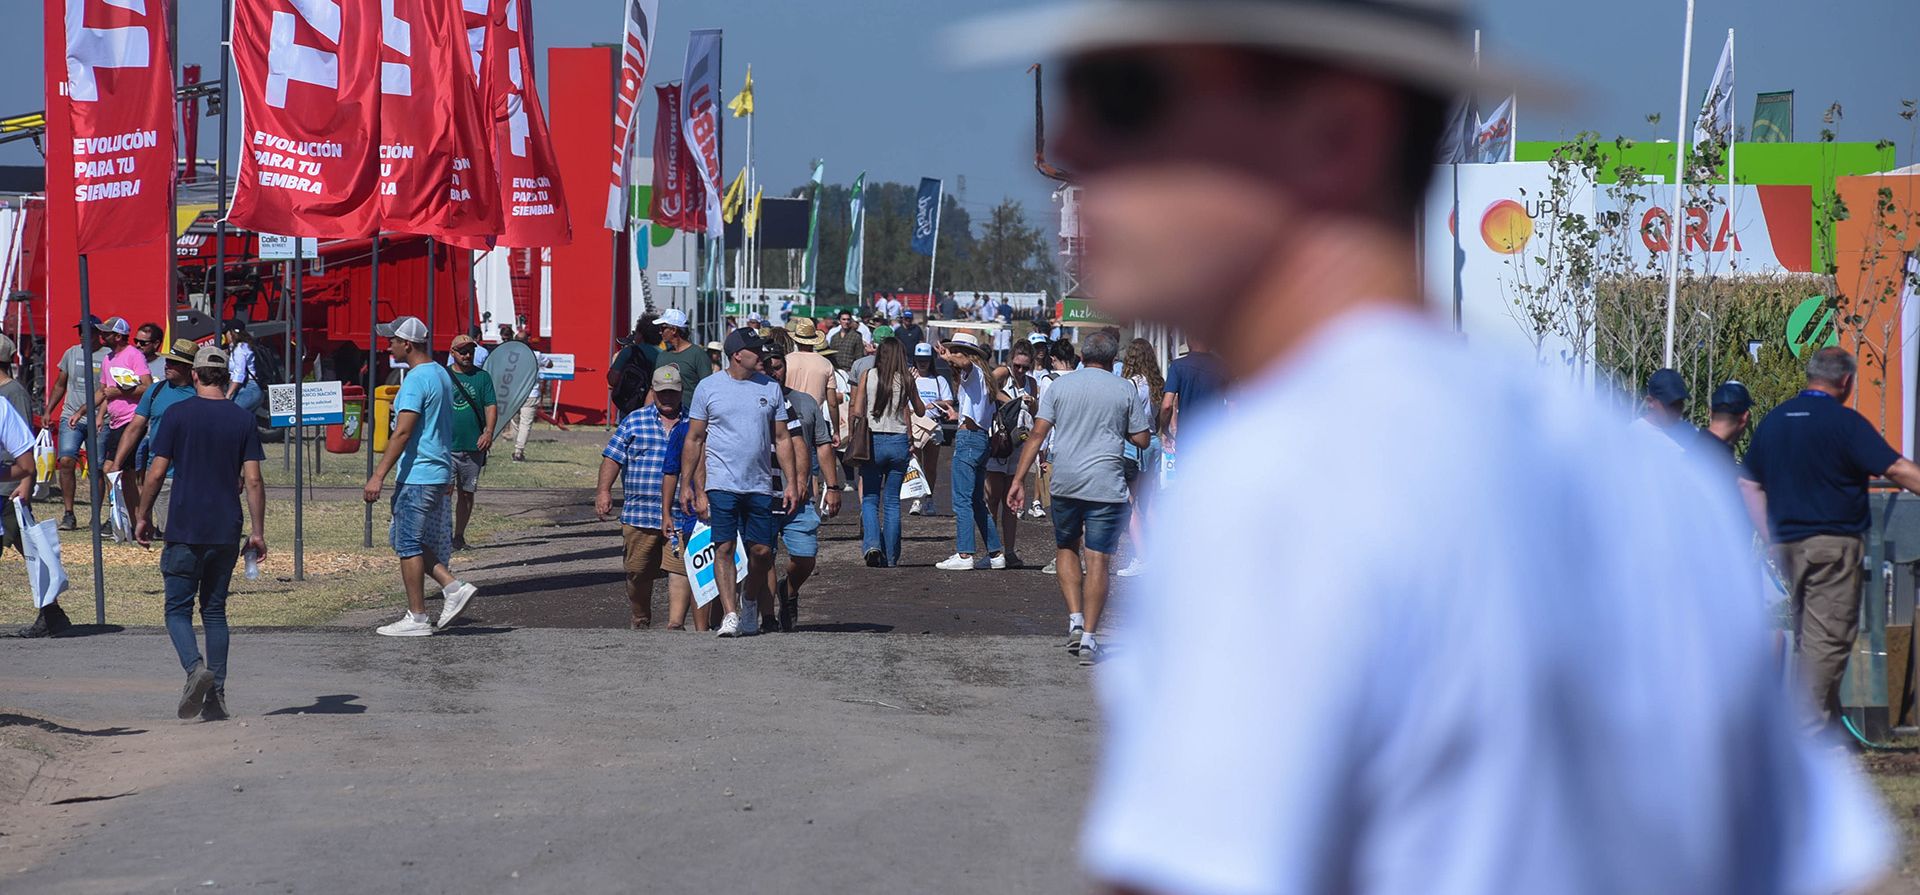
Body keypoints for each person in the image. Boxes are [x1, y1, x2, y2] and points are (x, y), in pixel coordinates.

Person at [958, 4, 1893, 891]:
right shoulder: (1654, 478)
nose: (1065, 146)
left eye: (1128, 96)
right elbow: (1810, 860)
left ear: (1336, 132)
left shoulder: (1278, 483)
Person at [1746, 348, 1920, 733]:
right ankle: (1803, 734)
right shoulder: (1844, 424)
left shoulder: (1775, 421)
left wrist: (1771, 535)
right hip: (1832, 545)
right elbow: (1893, 467)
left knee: (1811, 637)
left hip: (1789, 546)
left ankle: (1830, 731)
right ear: (1845, 382)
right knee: (1831, 639)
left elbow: (1749, 483)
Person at [133, 344, 266, 722]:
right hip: (226, 527)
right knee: (215, 612)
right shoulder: (241, 419)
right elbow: (253, 480)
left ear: (194, 375)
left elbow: (157, 473)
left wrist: (142, 515)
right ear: (225, 377)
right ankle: (217, 696)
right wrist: (257, 532)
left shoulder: (177, 414)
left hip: (184, 525)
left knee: (177, 608)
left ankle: (195, 669)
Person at [1007, 330, 1145, 662]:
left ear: (1082, 357)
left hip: (1066, 480)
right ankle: (1090, 638)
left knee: (1066, 548)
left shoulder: (1059, 387)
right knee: (1099, 560)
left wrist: (1018, 480)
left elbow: (1037, 434)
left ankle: (1075, 620)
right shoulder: (1124, 389)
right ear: (1113, 361)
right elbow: (1141, 438)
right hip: (1106, 484)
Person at [364, 316, 478, 637]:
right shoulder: (440, 373)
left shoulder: (415, 380)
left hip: (419, 473)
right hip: (438, 469)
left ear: (407, 344)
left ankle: (419, 615)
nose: (389, 345)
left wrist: (378, 475)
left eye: (393, 340)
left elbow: (402, 432)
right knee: (407, 538)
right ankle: (452, 589)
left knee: (408, 543)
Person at [681, 328, 800, 637]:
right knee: (724, 547)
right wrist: (688, 484)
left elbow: (783, 437)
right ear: (737, 355)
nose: (761, 354)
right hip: (721, 482)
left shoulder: (770, 388)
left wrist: (791, 482)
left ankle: (749, 601)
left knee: (762, 552)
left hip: (760, 483)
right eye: (754, 349)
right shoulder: (709, 388)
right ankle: (730, 614)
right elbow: (694, 439)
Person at [597, 366, 695, 629]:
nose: (667, 398)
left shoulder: (693, 424)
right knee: (637, 572)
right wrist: (604, 491)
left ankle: (675, 624)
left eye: (672, 393)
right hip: (640, 513)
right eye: (661, 392)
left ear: (681, 392)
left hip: (681, 513)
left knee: (679, 569)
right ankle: (641, 617)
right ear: (653, 391)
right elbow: (612, 457)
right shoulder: (634, 421)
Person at [761, 350, 842, 630]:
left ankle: (789, 590)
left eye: (779, 367)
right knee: (764, 556)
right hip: (763, 494)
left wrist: (832, 486)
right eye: (768, 367)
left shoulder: (805, 402)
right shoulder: (752, 402)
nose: (774, 372)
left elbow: (822, 445)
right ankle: (769, 616)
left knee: (806, 557)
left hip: (801, 497)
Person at [105, 339, 198, 522]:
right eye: (167, 361)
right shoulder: (155, 390)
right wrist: (117, 463)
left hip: (193, 475)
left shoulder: (200, 394)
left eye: (174, 363)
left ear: (189, 368)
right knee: (168, 532)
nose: (167, 365)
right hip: (160, 474)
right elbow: (134, 428)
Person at [934, 332, 1005, 571]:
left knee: (963, 500)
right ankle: (995, 554)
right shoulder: (981, 377)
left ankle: (964, 554)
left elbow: (965, 362)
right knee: (975, 501)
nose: (953, 355)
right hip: (980, 439)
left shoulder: (973, 370)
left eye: (957, 350)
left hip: (969, 439)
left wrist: (947, 357)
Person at [851, 339, 924, 568]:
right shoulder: (907, 379)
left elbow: (857, 409)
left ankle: (872, 545)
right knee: (892, 502)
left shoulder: (868, 375)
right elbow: (920, 409)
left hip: (873, 441)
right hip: (898, 442)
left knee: (871, 499)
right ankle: (891, 556)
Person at [48, 316, 110, 531]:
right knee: (65, 460)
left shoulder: (108, 356)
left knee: (97, 468)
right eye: (80, 331)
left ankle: (96, 515)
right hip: (71, 416)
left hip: (100, 419)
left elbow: (108, 391)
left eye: (89, 331)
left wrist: (101, 414)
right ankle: (68, 513)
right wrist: (48, 410)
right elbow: (60, 384)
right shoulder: (71, 353)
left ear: (98, 333)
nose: (84, 335)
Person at [983, 343, 1040, 567]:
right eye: (1017, 366)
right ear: (1011, 361)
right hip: (999, 442)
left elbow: (1034, 414)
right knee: (993, 498)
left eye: (1025, 368)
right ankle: (992, 550)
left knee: (1011, 501)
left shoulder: (1031, 383)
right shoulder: (1003, 373)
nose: (1020, 371)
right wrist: (1011, 401)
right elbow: (987, 386)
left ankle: (1009, 551)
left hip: (1019, 445)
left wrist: (1032, 404)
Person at [94, 316, 152, 533]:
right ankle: (140, 524)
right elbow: (103, 392)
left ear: (118, 336)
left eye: (106, 333)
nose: (102, 336)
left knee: (111, 468)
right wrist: (87, 412)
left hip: (131, 421)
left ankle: (116, 518)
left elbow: (147, 387)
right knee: (126, 475)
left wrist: (119, 392)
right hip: (115, 422)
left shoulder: (133, 355)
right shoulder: (108, 359)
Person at [0, 397, 49, 637]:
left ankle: (51, 610)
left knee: (30, 546)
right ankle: (52, 611)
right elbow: (27, 463)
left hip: (8, 497)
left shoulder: (13, 394)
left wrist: (26, 484)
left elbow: (26, 462)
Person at [1116, 338, 1164, 577]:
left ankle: (1141, 557)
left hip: (1134, 444)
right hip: (1155, 442)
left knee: (1133, 505)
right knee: (1151, 504)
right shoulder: (1157, 383)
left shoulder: (1129, 385)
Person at [446, 334, 499, 551]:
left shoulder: (482, 377)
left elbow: (491, 406)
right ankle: (442, 534)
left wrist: (488, 432)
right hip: (446, 446)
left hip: (473, 446)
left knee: (467, 493)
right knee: (444, 492)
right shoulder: (443, 375)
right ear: (452, 353)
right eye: (462, 351)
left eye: (470, 351)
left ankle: (459, 536)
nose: (467, 355)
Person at [1158, 337, 1227, 468]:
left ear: (1190, 340)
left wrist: (1165, 430)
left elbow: (1167, 405)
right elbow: (1233, 406)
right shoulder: (1222, 368)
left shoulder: (1178, 366)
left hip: (1187, 438)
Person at [910, 342, 953, 516]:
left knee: (931, 466)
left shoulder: (938, 380)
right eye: (920, 360)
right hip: (914, 424)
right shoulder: (910, 378)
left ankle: (929, 498)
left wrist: (934, 404)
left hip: (933, 424)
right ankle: (916, 499)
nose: (922, 363)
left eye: (926, 360)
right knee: (915, 463)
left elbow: (949, 401)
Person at [782, 317, 841, 429]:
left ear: (795, 340)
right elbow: (832, 403)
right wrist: (836, 429)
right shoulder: (826, 364)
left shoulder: (786, 361)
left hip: (789, 420)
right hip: (815, 420)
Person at [1630, 367, 1695, 452]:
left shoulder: (1692, 434)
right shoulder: (1633, 436)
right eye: (1670, 404)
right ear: (1650, 401)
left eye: (1680, 402)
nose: (1676, 409)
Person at [608, 314, 660, 419]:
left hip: (630, 403)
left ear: (640, 334)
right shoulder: (663, 355)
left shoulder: (629, 352)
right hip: (655, 404)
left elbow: (612, 379)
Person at [654, 308, 714, 389]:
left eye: (663, 328)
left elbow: (708, 387)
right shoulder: (662, 356)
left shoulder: (697, 354)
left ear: (674, 330)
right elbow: (654, 387)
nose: (660, 332)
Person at [223, 320, 264, 414]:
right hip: (252, 388)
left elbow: (239, 373)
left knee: (231, 414)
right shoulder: (246, 346)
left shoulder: (239, 349)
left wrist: (228, 394)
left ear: (231, 333)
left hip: (248, 388)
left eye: (226, 332)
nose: (225, 335)